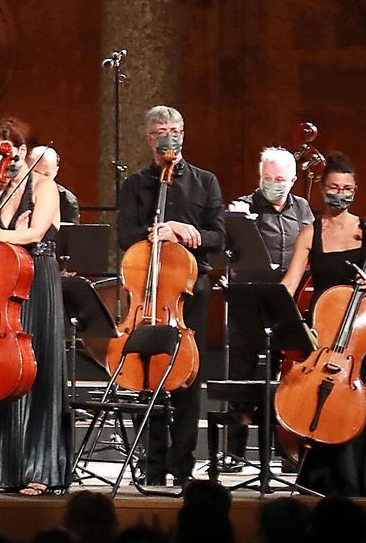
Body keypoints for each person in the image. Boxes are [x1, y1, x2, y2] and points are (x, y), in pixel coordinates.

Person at [279, 153, 366, 497]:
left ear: (355, 190)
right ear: (322, 189)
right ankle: (325, 475)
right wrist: (271, 303)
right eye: (334, 187)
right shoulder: (311, 232)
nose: (340, 194)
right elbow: (291, 282)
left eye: (347, 188)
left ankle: (363, 476)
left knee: (360, 398)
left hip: (361, 334)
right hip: (325, 332)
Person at [115, 105, 226, 487]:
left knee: (187, 377)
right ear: (150, 139)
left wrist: (179, 230)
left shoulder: (205, 182)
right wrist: (154, 232)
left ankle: (182, 466)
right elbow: (124, 236)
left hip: (190, 289)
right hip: (147, 290)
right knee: (147, 374)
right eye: (162, 131)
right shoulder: (135, 185)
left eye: (175, 130)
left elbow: (218, 237)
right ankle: (152, 464)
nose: (169, 137)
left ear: (183, 134)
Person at [0, 121, 72, 496]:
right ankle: (6, 468)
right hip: (5, 282)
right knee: (5, 369)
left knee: (38, 368)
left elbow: (35, 233)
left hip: (37, 279)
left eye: (9, 152)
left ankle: (41, 470)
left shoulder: (43, 187)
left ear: (20, 151)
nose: (4, 160)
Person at [222, 147, 314, 468]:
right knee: (242, 373)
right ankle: (234, 452)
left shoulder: (303, 208)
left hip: (287, 301)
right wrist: (234, 222)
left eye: (280, 179)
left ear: (293, 180)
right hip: (250, 300)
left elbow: (311, 249)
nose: (273, 184)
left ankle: (285, 449)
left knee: (286, 378)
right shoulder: (244, 206)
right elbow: (226, 246)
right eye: (267, 178)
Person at [30, 145, 80, 227]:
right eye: (36, 172)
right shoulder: (14, 192)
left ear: (55, 172)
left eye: (47, 174)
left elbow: (70, 233)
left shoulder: (66, 200)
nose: (40, 179)